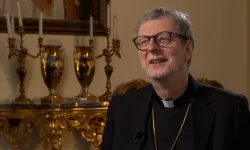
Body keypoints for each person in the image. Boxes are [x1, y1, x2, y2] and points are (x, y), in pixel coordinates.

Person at [100, 6, 250, 150]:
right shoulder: (121, 109)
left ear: (188, 49)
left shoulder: (230, 109)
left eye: (164, 38)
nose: (152, 48)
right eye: (144, 41)